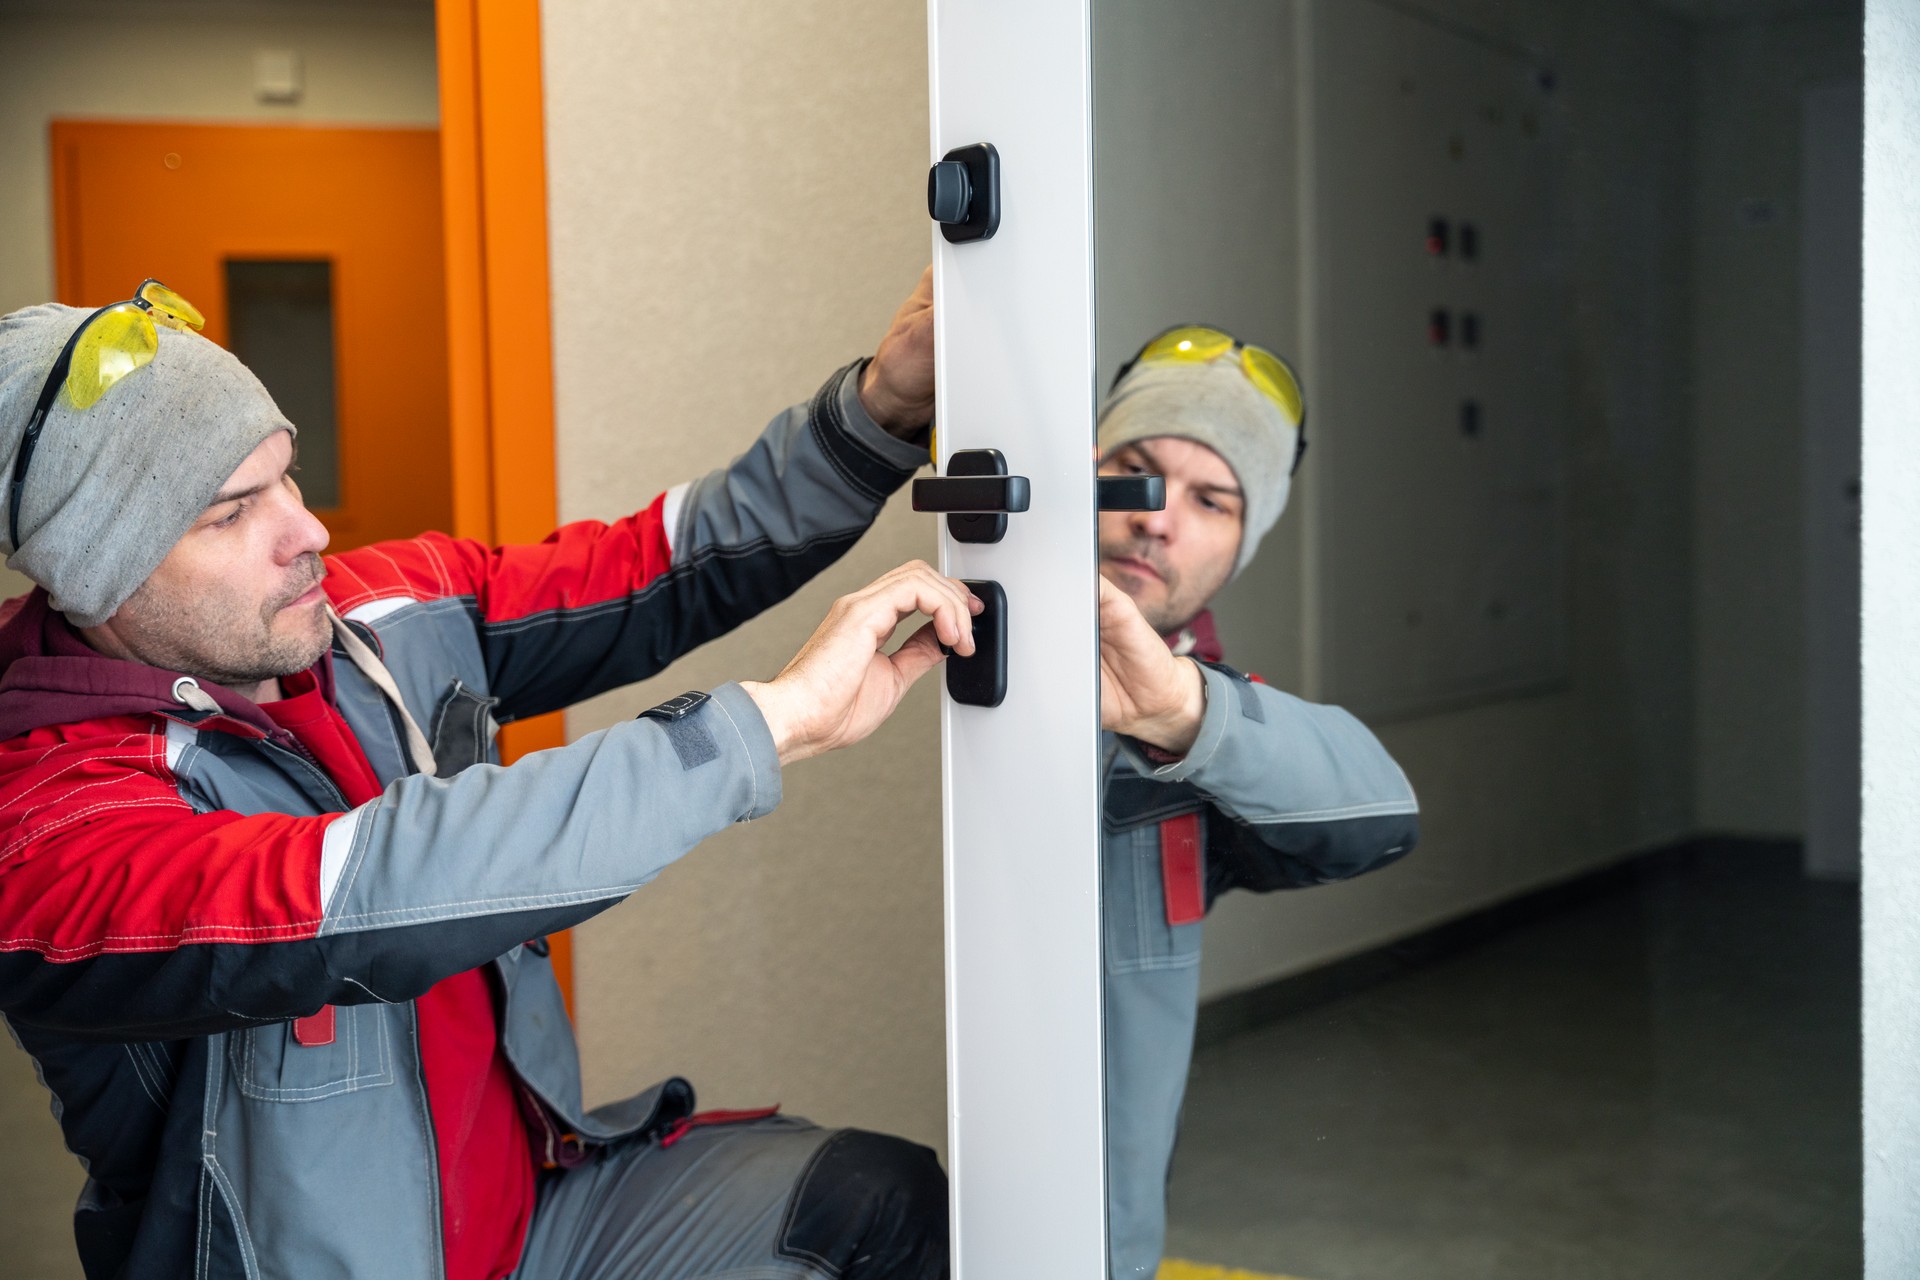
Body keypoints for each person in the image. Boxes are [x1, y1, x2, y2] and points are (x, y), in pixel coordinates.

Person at [0, 273, 971, 1280]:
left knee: (882, 1207)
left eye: (288, 475)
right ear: (95, 570)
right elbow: (373, 884)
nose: (308, 532)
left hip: (540, 1223)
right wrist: (767, 726)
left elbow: (654, 565)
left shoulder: (379, 612)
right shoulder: (48, 829)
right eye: (235, 510)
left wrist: (880, 412)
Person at [1091, 326, 1421, 1279]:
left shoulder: (1203, 729)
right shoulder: (941, 637)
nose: (1157, 518)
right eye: (1134, 470)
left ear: (1242, 546)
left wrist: (1188, 719)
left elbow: (1379, 816)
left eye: (1212, 501)